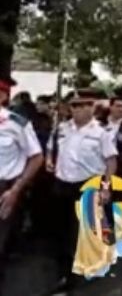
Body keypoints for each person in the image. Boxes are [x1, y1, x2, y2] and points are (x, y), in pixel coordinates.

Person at [46, 88, 117, 294]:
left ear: (91, 107)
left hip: (87, 184)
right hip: (62, 182)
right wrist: (50, 160)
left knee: (83, 230)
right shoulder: (61, 128)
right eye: (74, 105)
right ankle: (65, 270)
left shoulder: (101, 133)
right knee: (61, 230)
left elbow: (110, 162)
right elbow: (51, 148)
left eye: (82, 105)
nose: (76, 109)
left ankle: (80, 271)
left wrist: (106, 188)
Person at [0, 76, 44, 289]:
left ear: (3, 96)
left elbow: (36, 157)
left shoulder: (16, 123)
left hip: (5, 188)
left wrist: (16, 189)